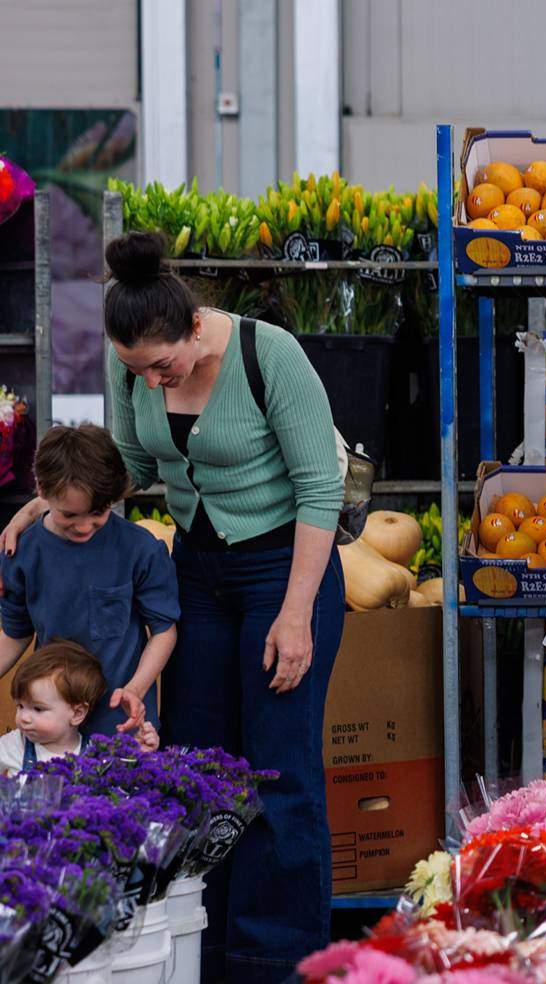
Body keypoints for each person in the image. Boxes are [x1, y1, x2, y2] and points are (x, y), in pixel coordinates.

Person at [3, 231, 346, 984]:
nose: (153, 383)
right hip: (196, 571)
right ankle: (203, 950)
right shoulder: (138, 374)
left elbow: (322, 487)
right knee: (198, 766)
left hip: (283, 570)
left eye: (164, 366)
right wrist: (48, 506)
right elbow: (121, 470)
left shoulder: (269, 355)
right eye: (136, 372)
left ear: (195, 328)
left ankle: (281, 962)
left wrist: (296, 615)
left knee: (278, 772)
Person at [0, 424, 179, 739]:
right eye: (69, 516)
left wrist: (135, 689)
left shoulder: (141, 549)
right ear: (42, 490)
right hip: (53, 728)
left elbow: (164, 631)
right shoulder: (24, 551)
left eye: (98, 512)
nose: (84, 527)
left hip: (121, 725)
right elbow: (15, 632)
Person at [2, 640, 157, 774]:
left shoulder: (97, 755)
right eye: (20, 706)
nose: (24, 717)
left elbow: (123, 786)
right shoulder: (14, 746)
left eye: (38, 709)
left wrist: (140, 754)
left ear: (77, 713)